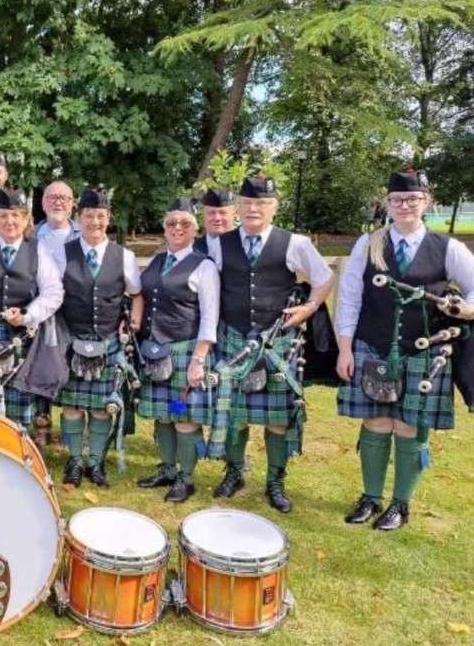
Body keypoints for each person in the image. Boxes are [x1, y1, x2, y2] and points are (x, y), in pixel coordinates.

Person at [336, 169, 474, 530]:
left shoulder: (449, 248)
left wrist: (465, 307)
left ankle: (400, 505)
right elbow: (349, 298)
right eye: (397, 199)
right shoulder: (369, 244)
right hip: (373, 345)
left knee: (410, 425)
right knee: (377, 422)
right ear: (388, 203)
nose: (404, 205)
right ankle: (370, 497)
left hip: (424, 351)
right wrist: (345, 349)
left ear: (426, 201)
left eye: (413, 199)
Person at [206, 174, 335, 513]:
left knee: (278, 416)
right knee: (236, 413)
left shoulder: (295, 243)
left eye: (261, 204)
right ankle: (234, 472)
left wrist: (309, 308)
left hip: (277, 341)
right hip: (232, 336)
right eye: (247, 203)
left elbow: (324, 278)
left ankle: (276, 481)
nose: (253, 209)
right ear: (239, 207)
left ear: (273, 207)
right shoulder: (219, 243)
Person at [52, 188, 141, 488]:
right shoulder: (62, 253)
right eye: (89, 216)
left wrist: (134, 323)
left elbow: (136, 295)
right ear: (79, 218)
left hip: (108, 340)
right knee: (73, 406)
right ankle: (75, 462)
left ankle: (96, 463)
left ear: (108, 219)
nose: (95, 222)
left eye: (100, 216)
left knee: (103, 406)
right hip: (72, 339)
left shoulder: (124, 256)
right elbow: (52, 293)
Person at [134, 199, 220, 502]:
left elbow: (210, 316)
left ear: (195, 229)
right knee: (163, 416)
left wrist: (199, 359)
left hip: (185, 349)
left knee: (184, 416)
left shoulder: (204, 266)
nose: (177, 228)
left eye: (184, 223)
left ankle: (187, 478)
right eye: (172, 223)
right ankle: (168, 469)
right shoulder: (157, 260)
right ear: (165, 228)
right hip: (154, 349)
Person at [0, 189, 64, 434]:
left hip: (18, 337)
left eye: (16, 215)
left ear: (26, 219)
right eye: (3, 215)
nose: (10, 221)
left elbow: (53, 292)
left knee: (18, 400)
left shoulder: (37, 249)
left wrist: (28, 315)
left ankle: (16, 453)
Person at [32, 181, 83, 447]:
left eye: (64, 198)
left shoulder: (82, 232)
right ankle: (41, 424)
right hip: (40, 312)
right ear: (43, 203)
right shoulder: (31, 234)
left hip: (74, 311)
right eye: (52, 197)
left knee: (72, 367)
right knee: (41, 367)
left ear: (72, 203)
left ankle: (72, 428)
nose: (58, 203)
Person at [194, 188, 236, 255]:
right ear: (204, 215)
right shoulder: (192, 250)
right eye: (211, 213)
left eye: (223, 213)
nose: (217, 218)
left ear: (234, 214)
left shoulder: (246, 247)